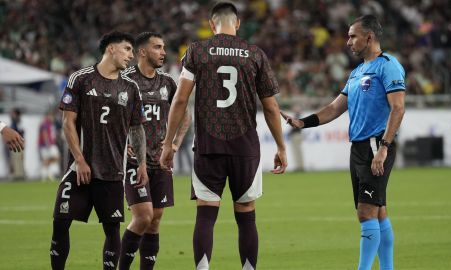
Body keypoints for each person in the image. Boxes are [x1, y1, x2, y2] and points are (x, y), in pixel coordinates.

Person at [160, 2, 288, 270]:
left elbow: (181, 99)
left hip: (208, 145)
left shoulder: (196, 50)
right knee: (246, 215)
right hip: (245, 147)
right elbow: (271, 106)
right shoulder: (255, 54)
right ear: (238, 23)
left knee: (206, 214)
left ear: (211, 24)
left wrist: (170, 143)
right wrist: (280, 146)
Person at [282, 15, 405, 270]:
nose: (348, 42)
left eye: (352, 36)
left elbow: (398, 108)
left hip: (375, 146)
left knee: (366, 212)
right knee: (378, 211)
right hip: (359, 148)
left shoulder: (388, 65)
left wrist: (383, 147)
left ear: (368, 37)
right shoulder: (357, 72)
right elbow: (335, 108)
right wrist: (303, 123)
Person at [50, 31, 148, 270]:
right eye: (127, 49)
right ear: (111, 49)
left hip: (114, 172)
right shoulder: (80, 79)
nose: (131, 56)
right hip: (79, 169)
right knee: (60, 222)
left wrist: (142, 163)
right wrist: (80, 160)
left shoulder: (131, 87)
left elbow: (137, 129)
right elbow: (67, 122)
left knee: (111, 228)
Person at [118, 32, 191, 270]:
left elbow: (185, 116)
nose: (163, 52)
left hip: (160, 162)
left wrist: (175, 144)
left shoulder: (167, 82)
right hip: (133, 161)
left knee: (155, 220)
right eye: (157, 47)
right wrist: (121, 142)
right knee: (143, 216)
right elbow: (109, 116)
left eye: (164, 47)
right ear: (142, 52)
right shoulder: (125, 80)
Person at [39, 111, 61, 181]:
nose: (52, 118)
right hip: (47, 145)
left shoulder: (50, 124)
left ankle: (47, 174)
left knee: (50, 159)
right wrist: (47, 144)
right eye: (51, 116)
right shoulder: (45, 124)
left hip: (50, 144)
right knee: (51, 158)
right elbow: (44, 134)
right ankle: (45, 175)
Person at [7, 108, 25, 179]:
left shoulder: (15, 122)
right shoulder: (18, 122)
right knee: (18, 159)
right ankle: (19, 174)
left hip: (16, 143)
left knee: (17, 159)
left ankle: (18, 175)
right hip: (18, 143)